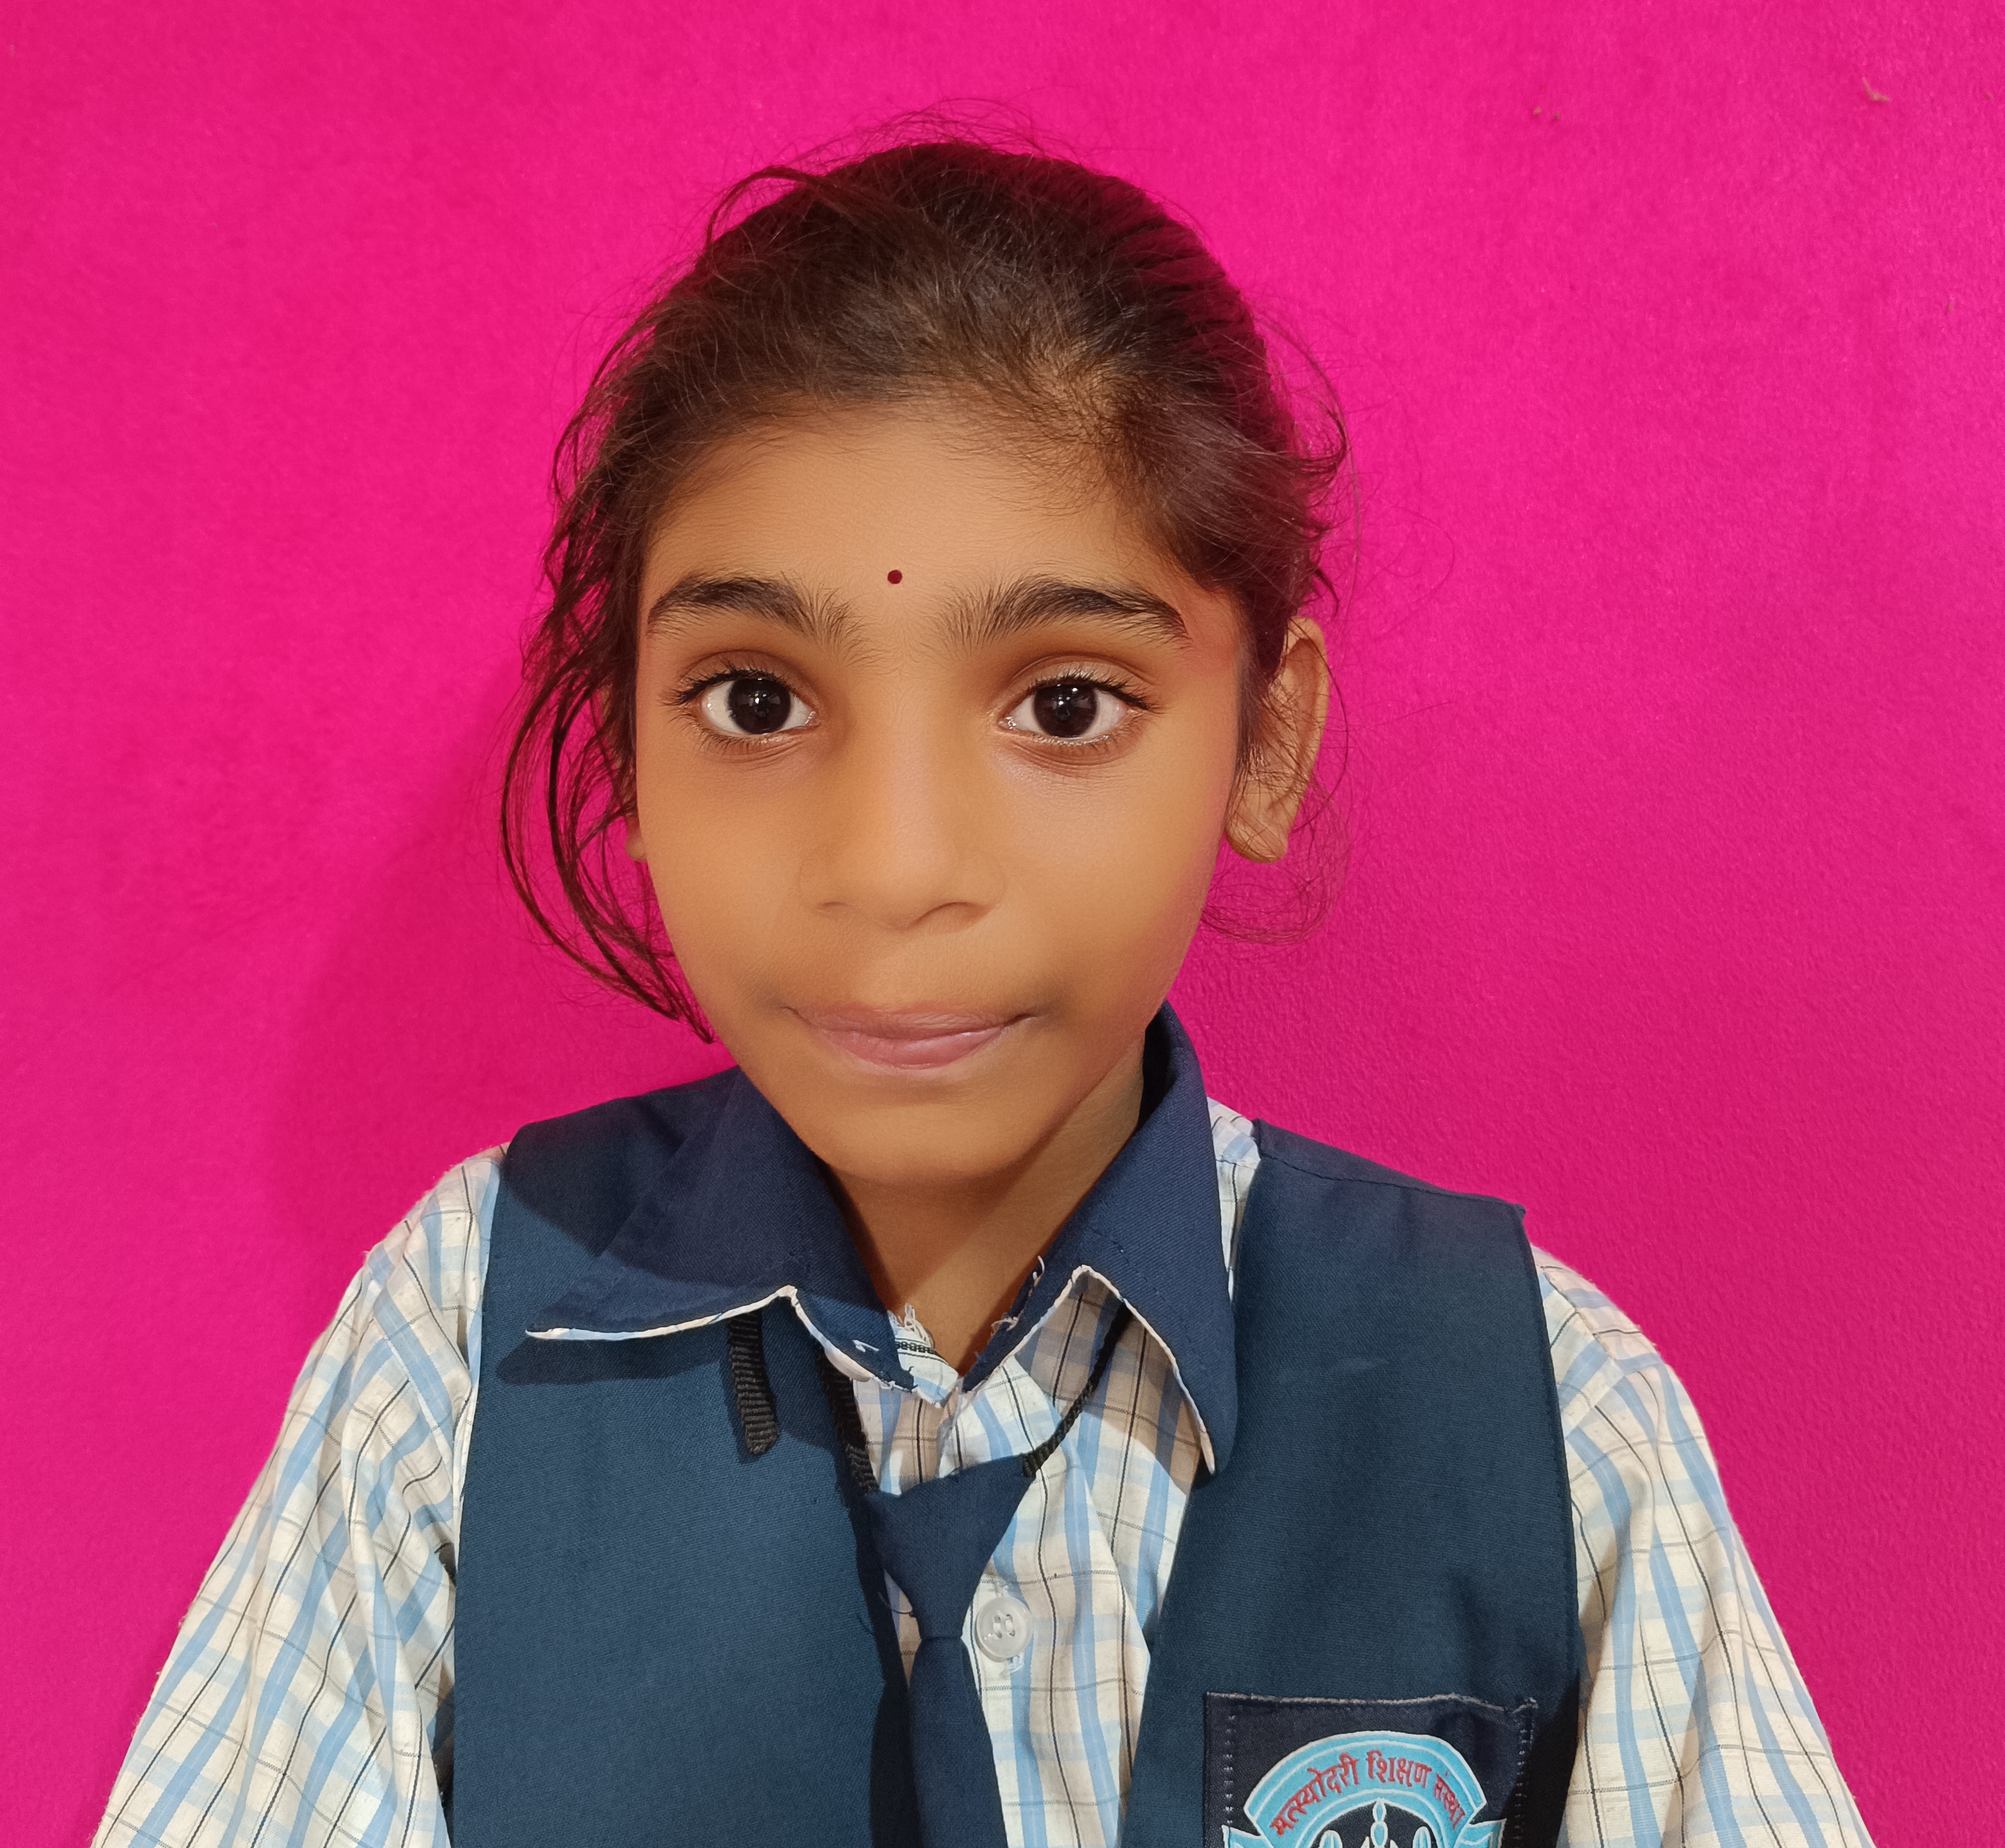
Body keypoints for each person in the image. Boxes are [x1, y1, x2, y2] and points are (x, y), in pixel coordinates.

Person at [92, 137, 1872, 1848]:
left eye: (1066, 705)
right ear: (628, 737)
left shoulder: (1543, 1405)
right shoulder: (462, 1352)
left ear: (1266, 742)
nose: (896, 868)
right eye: (758, 702)